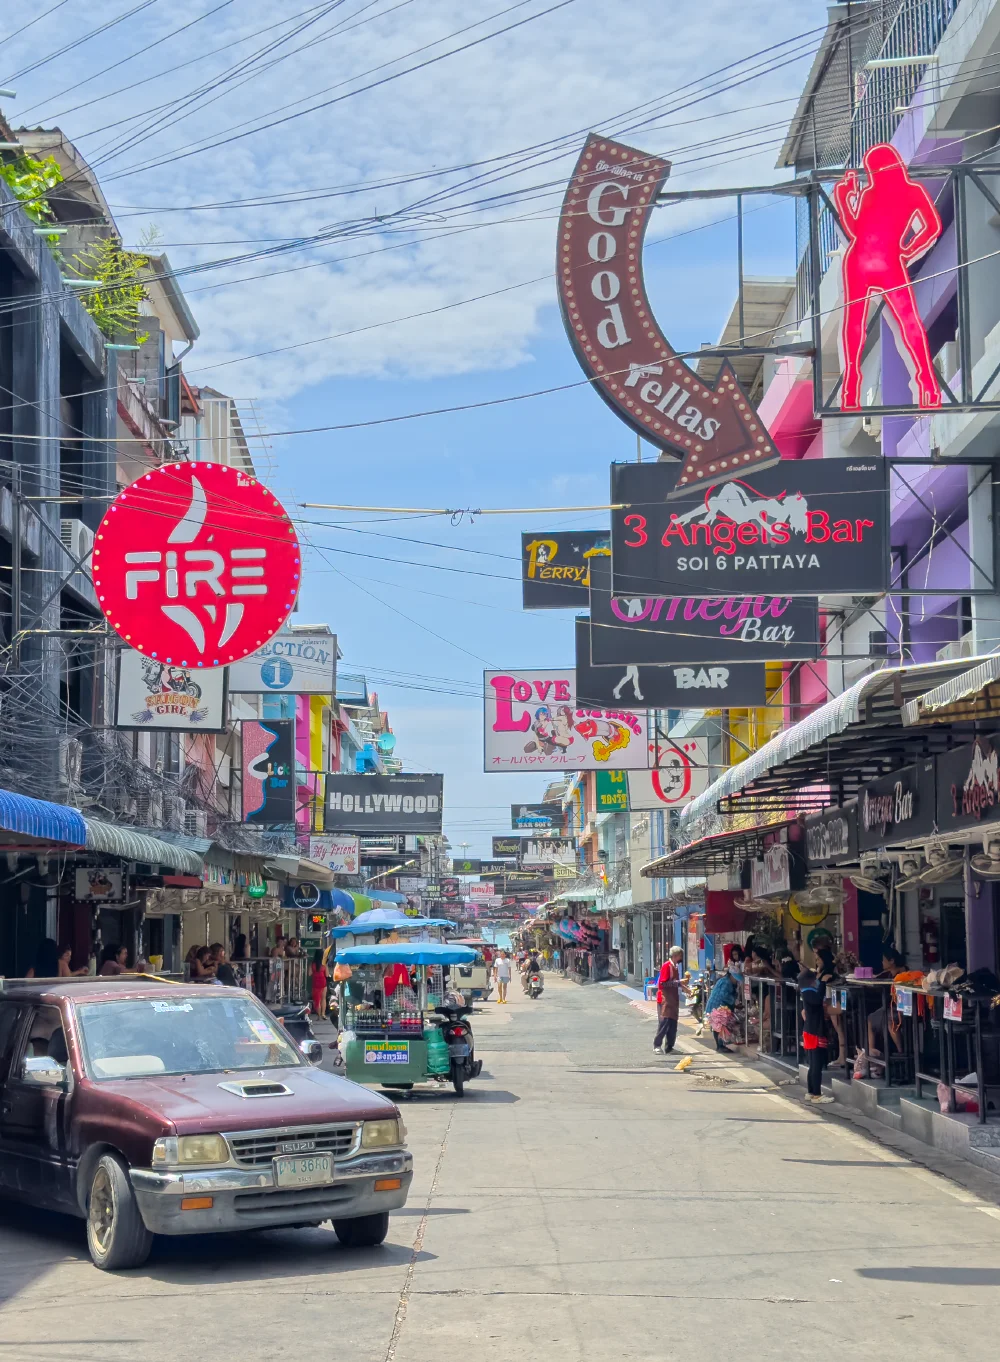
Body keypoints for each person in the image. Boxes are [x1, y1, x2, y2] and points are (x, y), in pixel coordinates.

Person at [868, 946, 907, 1061]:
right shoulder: (888, 973)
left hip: (902, 1007)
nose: (882, 962)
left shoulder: (904, 973)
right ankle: (872, 1051)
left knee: (891, 1022)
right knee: (870, 1018)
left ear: (892, 961)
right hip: (889, 1007)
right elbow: (876, 978)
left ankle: (901, 1052)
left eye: (884, 960)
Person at [799, 967, 832, 1103]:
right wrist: (823, 983)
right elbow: (818, 1000)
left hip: (810, 1031)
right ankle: (817, 1095)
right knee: (816, 1065)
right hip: (814, 1032)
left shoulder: (806, 991)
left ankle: (811, 1092)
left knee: (813, 1064)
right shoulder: (808, 992)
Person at [653, 946, 685, 1055]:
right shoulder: (667, 966)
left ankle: (669, 1047)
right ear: (675, 955)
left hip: (673, 999)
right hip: (665, 999)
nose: (681, 958)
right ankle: (657, 1045)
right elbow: (663, 983)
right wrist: (678, 982)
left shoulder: (675, 966)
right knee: (664, 1022)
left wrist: (684, 988)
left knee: (673, 1024)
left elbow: (676, 982)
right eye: (680, 956)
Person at [705, 969, 739, 1051]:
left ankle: (720, 1045)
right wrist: (734, 1001)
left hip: (716, 1006)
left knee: (718, 1026)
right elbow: (723, 996)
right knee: (720, 1026)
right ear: (732, 976)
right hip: (718, 1006)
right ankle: (720, 1046)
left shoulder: (724, 980)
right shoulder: (726, 983)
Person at [310, 949, 329, 1018]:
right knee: (323, 999)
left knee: (317, 1000)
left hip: (315, 983)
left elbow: (309, 973)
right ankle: (323, 1014)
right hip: (323, 983)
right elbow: (327, 975)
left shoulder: (312, 964)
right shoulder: (324, 964)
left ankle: (319, 1015)